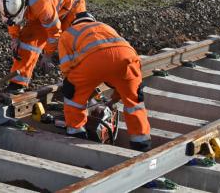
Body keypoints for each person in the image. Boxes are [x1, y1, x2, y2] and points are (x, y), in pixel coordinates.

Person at [58, 11, 151, 151]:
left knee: (73, 96)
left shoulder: (68, 33)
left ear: (74, 23)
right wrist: (114, 99)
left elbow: (67, 67)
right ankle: (141, 143)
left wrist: (75, 87)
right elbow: (116, 63)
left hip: (93, 60)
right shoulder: (105, 26)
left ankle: (76, 132)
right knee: (134, 101)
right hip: (128, 59)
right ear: (92, 20)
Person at [0, 0, 86, 94]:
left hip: (72, 4)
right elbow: (11, 20)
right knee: (26, 41)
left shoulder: (41, 4)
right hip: (49, 3)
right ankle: (17, 85)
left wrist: (47, 55)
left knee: (72, 44)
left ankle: (80, 81)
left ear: (24, 5)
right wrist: (15, 37)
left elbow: (54, 32)